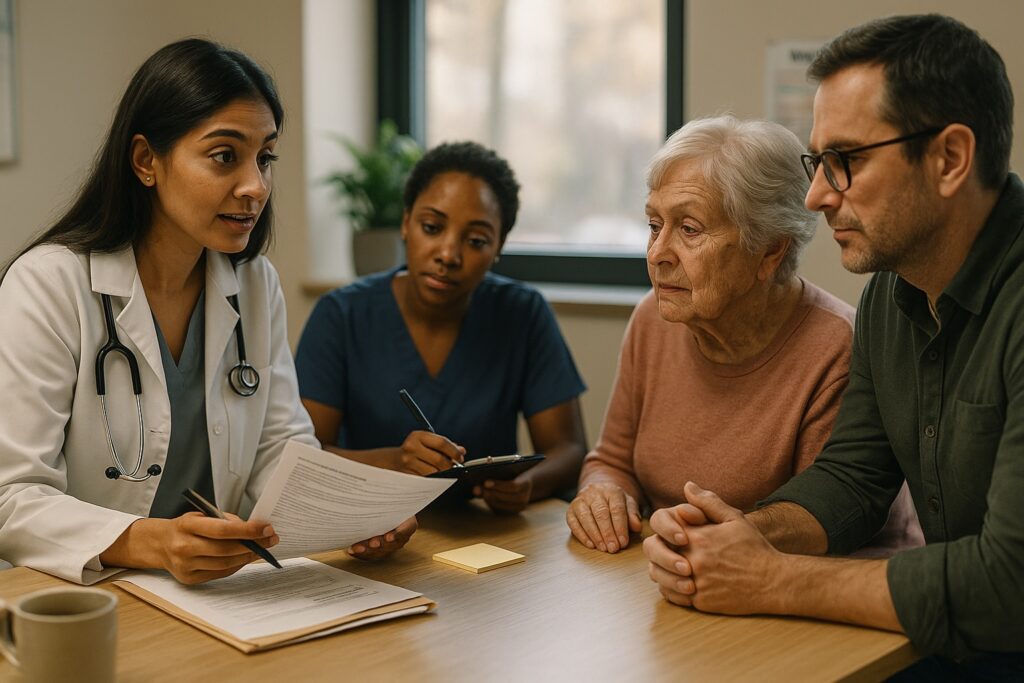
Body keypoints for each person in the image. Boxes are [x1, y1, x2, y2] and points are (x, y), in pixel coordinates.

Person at [643, 14, 1024, 676]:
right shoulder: (890, 295)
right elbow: (853, 476)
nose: (817, 195)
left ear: (950, 159)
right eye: (816, 163)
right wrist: (739, 536)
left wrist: (771, 578)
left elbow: (1009, 582)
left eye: (845, 160)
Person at [0, 39, 413, 586]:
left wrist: (343, 516)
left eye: (264, 157)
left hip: (220, 593)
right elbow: (11, 496)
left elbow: (279, 450)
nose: (256, 186)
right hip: (87, 595)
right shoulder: (50, 283)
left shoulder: (254, 284)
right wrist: (152, 542)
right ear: (147, 161)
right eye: (225, 156)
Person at [566, 115, 919, 555]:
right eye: (655, 226)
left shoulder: (837, 348)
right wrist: (602, 493)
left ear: (770, 249)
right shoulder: (652, 321)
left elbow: (832, 520)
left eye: (689, 229)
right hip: (672, 574)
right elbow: (612, 460)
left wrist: (706, 544)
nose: (657, 254)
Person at [295, 142, 587, 514]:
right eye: (432, 228)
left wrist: (527, 485)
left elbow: (570, 449)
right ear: (405, 223)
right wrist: (395, 461)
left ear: (498, 247)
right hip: (369, 530)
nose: (449, 255)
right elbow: (306, 455)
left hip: (483, 538)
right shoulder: (341, 315)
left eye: (476, 240)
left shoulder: (522, 313)